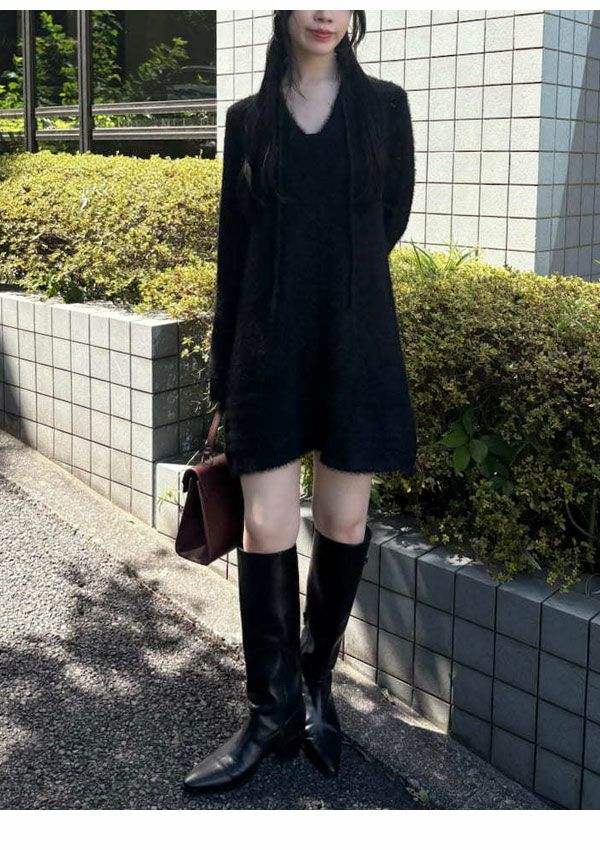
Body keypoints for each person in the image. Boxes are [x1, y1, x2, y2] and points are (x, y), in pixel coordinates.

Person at [183, 10, 417, 793]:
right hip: (268, 344)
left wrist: (335, 284)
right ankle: (270, 709)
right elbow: (235, 248)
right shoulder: (248, 120)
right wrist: (225, 376)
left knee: (345, 521)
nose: (324, 12)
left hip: (356, 341)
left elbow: (387, 221)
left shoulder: (385, 107)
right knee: (267, 524)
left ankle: (316, 685)